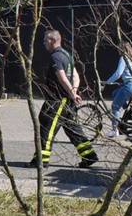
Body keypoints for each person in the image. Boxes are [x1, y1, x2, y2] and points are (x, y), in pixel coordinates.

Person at [28, 29, 97, 168]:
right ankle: (89, 156)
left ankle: (41, 160)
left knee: (46, 127)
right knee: (73, 128)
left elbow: (62, 77)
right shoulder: (67, 55)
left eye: (45, 40)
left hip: (57, 101)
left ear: (52, 40)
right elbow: (76, 76)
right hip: (67, 101)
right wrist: (74, 92)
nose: (43, 43)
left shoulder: (56, 57)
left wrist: (72, 94)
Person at [103, 43, 132, 137]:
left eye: (119, 49)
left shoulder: (124, 58)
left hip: (131, 85)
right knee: (115, 92)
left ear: (122, 50)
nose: (118, 51)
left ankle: (115, 131)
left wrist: (107, 82)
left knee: (115, 106)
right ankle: (125, 107)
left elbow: (118, 73)